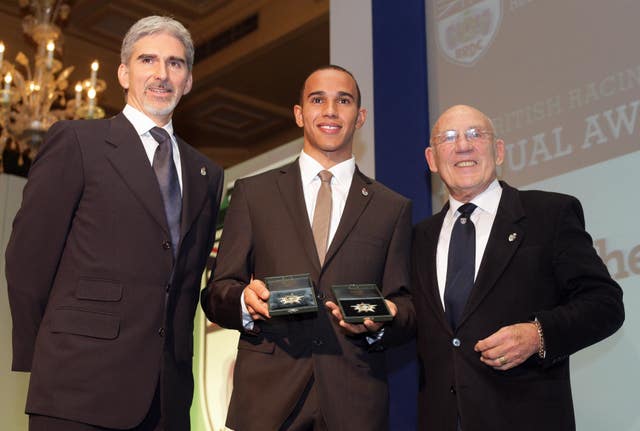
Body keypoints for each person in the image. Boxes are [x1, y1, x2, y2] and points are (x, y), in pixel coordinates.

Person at [5, 16, 223, 431]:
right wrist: (50, 356)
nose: (162, 74)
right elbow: (27, 261)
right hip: (76, 388)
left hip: (168, 400)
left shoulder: (206, 174)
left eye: (175, 64)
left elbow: (184, 284)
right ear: (124, 73)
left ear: (189, 80)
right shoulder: (77, 142)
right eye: (148, 60)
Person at [201, 65, 415, 430]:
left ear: (359, 117)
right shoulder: (254, 194)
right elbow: (217, 291)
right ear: (299, 114)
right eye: (318, 100)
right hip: (267, 401)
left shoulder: (391, 207)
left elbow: (406, 306)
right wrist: (245, 302)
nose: (330, 110)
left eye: (343, 101)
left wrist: (382, 322)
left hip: (354, 403)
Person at [412, 104, 624, 430]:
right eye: (449, 137)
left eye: (475, 134)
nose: (463, 145)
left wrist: (538, 334)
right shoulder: (418, 238)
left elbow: (605, 304)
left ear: (498, 151)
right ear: (432, 160)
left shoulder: (549, 214)